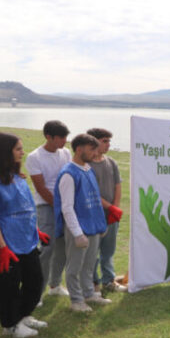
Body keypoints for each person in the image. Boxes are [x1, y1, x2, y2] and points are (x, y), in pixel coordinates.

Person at [0, 132, 48, 338]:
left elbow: (25, 205)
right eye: (18, 149)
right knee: (10, 284)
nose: (23, 152)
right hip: (6, 241)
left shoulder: (16, 176)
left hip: (26, 238)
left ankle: (23, 315)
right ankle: (10, 324)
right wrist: (2, 248)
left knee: (35, 279)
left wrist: (35, 230)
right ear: (5, 152)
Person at [53, 133, 109, 311]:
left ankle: (89, 293)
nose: (95, 152)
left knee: (89, 263)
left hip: (93, 227)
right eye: (92, 149)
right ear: (79, 149)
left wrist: (101, 224)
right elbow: (67, 207)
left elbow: (94, 200)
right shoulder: (69, 174)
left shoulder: (88, 169)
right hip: (79, 229)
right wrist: (77, 233)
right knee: (74, 266)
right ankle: (76, 300)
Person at [25, 120, 71, 301]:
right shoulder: (34, 157)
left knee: (62, 246)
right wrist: (60, 206)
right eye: (61, 138)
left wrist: (67, 207)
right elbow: (41, 188)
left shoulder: (65, 153)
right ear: (48, 137)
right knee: (47, 248)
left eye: (66, 137)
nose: (64, 141)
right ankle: (36, 292)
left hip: (65, 205)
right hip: (46, 206)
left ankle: (55, 284)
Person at [86, 128, 126, 293]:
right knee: (92, 250)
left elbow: (117, 185)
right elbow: (91, 193)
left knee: (108, 250)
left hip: (111, 214)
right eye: (105, 141)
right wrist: (109, 207)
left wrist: (114, 208)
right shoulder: (87, 165)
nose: (108, 144)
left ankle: (108, 280)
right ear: (94, 142)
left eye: (109, 141)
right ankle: (93, 281)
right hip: (94, 215)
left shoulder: (111, 162)